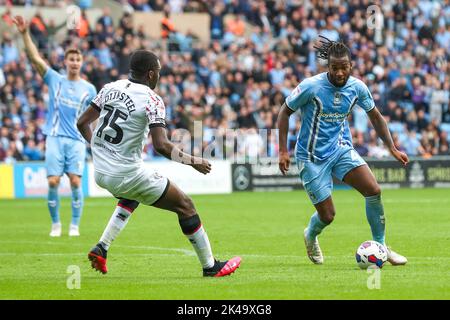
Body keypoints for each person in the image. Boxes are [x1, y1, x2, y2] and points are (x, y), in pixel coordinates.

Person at [77, 50, 241, 277]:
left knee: (131, 197)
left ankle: (101, 247)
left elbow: (82, 123)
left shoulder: (109, 88)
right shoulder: (152, 100)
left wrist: (98, 149)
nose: (160, 77)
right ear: (151, 74)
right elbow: (162, 146)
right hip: (126, 173)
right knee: (185, 205)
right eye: (160, 72)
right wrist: (193, 162)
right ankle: (210, 266)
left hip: (101, 172)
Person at [277, 36, 408, 266]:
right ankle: (311, 234)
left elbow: (375, 117)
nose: (339, 73)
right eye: (335, 68)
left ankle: (380, 246)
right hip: (311, 157)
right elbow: (284, 112)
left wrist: (392, 148)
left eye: (344, 67)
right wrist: (282, 151)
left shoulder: (357, 87)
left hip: (340, 149)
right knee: (328, 216)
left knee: (373, 190)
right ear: (328, 67)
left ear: (351, 66)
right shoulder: (311, 86)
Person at [13, 16, 97, 237]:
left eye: (78, 60)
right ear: (66, 62)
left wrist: (94, 139)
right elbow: (35, 58)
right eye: (71, 59)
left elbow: (94, 117)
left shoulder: (89, 89)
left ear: (82, 63)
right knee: (53, 181)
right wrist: (24, 34)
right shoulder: (55, 79)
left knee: (76, 181)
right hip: (54, 137)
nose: (74, 63)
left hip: (77, 140)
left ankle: (75, 226)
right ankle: (56, 224)